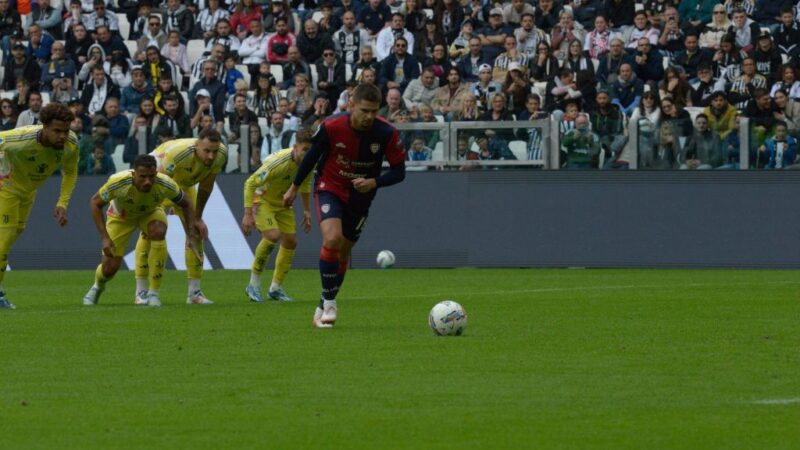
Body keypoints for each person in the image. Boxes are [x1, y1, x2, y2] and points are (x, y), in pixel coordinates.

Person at [282, 83, 406, 328]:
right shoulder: (331, 126)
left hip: (361, 197)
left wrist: (374, 182)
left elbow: (399, 172)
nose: (369, 116)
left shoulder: (386, 133)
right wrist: (294, 187)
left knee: (343, 252)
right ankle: (330, 303)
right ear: (351, 105)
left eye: (374, 111)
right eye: (364, 110)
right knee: (332, 239)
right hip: (331, 187)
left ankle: (323, 302)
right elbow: (312, 156)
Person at [82, 154, 199, 306]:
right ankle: (98, 286)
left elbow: (187, 204)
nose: (147, 182)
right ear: (134, 173)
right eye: (142, 177)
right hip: (121, 218)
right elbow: (95, 203)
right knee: (110, 268)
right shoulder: (119, 182)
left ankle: (153, 294)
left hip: (149, 213)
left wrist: (190, 235)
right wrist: (104, 237)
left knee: (158, 231)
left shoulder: (165, 183)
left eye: (151, 176)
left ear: (156, 173)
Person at [133, 129, 228, 306]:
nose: (210, 156)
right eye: (206, 151)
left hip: (184, 187)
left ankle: (194, 294)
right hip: (160, 184)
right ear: (196, 146)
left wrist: (197, 217)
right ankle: (142, 292)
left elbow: (206, 186)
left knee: (196, 232)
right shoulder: (178, 153)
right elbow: (157, 182)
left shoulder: (221, 154)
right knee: (151, 232)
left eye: (214, 151)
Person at [0, 104, 79, 309]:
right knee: (3, 243)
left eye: (66, 130)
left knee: (9, 240)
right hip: (5, 187)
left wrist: (62, 202)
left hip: (28, 193)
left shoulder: (71, 144)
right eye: (57, 131)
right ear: (44, 127)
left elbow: (70, 172)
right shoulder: (21, 138)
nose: (63, 136)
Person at [242, 129, 314, 303]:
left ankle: (275, 288)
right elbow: (250, 183)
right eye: (305, 149)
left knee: (291, 241)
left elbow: (304, 184)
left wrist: (306, 210)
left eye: (311, 150)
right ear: (295, 147)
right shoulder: (278, 162)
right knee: (272, 235)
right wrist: (247, 214)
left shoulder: (310, 162)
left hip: (282, 202)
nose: (308, 154)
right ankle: (253, 285)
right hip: (263, 199)